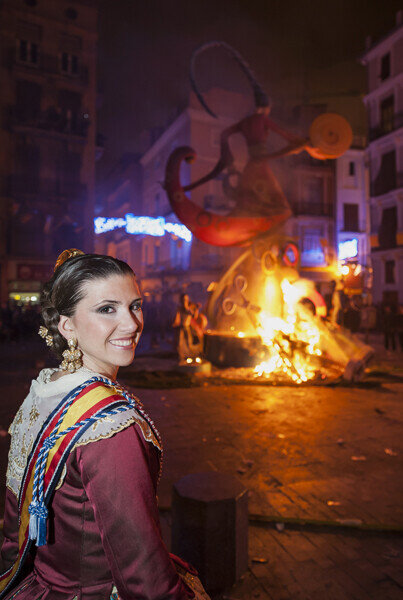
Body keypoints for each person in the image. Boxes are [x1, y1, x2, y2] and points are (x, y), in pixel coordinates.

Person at [0, 249, 209, 600]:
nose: (131, 324)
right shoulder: (110, 428)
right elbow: (143, 574)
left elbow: (13, 529)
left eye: (135, 305)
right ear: (67, 326)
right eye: (107, 309)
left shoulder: (45, 390)